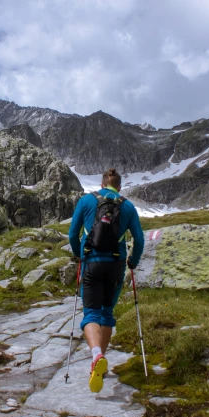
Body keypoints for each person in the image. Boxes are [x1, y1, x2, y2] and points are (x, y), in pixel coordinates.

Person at [68, 168, 144, 393]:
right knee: (106, 313)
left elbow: (73, 233)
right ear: (119, 188)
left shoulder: (86, 201)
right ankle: (100, 364)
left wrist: (78, 253)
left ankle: (96, 355)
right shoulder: (128, 206)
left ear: (102, 185)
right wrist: (133, 261)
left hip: (91, 261)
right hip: (116, 264)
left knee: (90, 312)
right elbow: (139, 240)